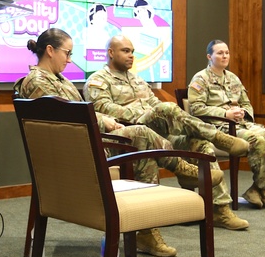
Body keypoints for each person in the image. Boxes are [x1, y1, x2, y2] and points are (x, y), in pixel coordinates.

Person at [15, 28, 223, 257]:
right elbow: (67, 118)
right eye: (67, 53)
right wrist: (105, 123)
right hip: (77, 153)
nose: (70, 59)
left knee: (143, 152)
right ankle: (180, 168)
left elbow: (80, 112)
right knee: (141, 134)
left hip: (86, 144)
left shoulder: (58, 79)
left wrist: (107, 122)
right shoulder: (37, 82)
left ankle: (146, 233)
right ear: (50, 50)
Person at [84, 35, 252, 230]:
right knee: (168, 109)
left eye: (132, 51)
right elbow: (104, 109)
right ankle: (218, 137)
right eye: (125, 51)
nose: (131, 56)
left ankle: (220, 209)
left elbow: (156, 103)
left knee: (200, 144)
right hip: (128, 134)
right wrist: (146, 112)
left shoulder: (137, 80)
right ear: (111, 53)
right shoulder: (97, 80)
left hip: (158, 132)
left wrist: (155, 110)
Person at [187, 40, 265, 210]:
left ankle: (257, 189)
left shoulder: (233, 78)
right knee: (257, 141)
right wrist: (225, 114)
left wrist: (243, 112)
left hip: (241, 125)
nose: (224, 56)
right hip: (218, 127)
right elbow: (195, 108)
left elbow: (247, 103)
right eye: (219, 53)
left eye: (226, 52)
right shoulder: (200, 78)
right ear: (209, 56)